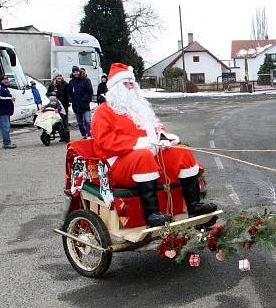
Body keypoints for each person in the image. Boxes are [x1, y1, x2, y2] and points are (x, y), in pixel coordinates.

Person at [90, 63, 217, 226]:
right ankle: (152, 215)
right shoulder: (103, 111)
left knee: (182, 152)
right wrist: (140, 144)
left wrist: (163, 138)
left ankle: (194, 206)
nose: (131, 87)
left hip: (147, 156)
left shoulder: (139, 107)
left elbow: (157, 127)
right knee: (143, 157)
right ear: (115, 88)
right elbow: (106, 141)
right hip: (116, 162)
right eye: (126, 83)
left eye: (132, 83)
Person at [68, 65, 93, 139]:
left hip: (84, 104)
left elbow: (90, 91)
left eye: (77, 71)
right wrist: (71, 99)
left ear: (79, 72)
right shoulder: (71, 82)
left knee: (87, 121)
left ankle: (89, 134)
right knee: (80, 123)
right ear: (72, 73)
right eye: (74, 72)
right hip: (76, 105)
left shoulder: (86, 80)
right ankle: (84, 134)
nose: (75, 73)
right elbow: (69, 92)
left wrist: (85, 99)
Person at [0, 75, 16, 149]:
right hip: (2, 111)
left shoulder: (4, 88)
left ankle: (7, 142)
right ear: (1, 81)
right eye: (4, 79)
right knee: (5, 128)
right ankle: (6, 143)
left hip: (6, 110)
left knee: (7, 127)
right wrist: (10, 98)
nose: (6, 81)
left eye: (7, 79)